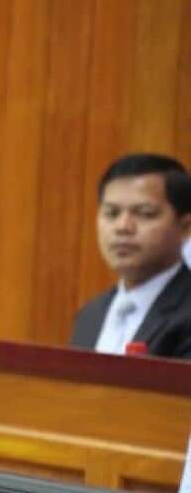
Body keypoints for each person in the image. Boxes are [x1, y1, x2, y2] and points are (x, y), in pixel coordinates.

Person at [70, 154, 191, 359]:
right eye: (111, 213)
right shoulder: (90, 315)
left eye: (144, 213)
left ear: (185, 227)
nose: (123, 227)